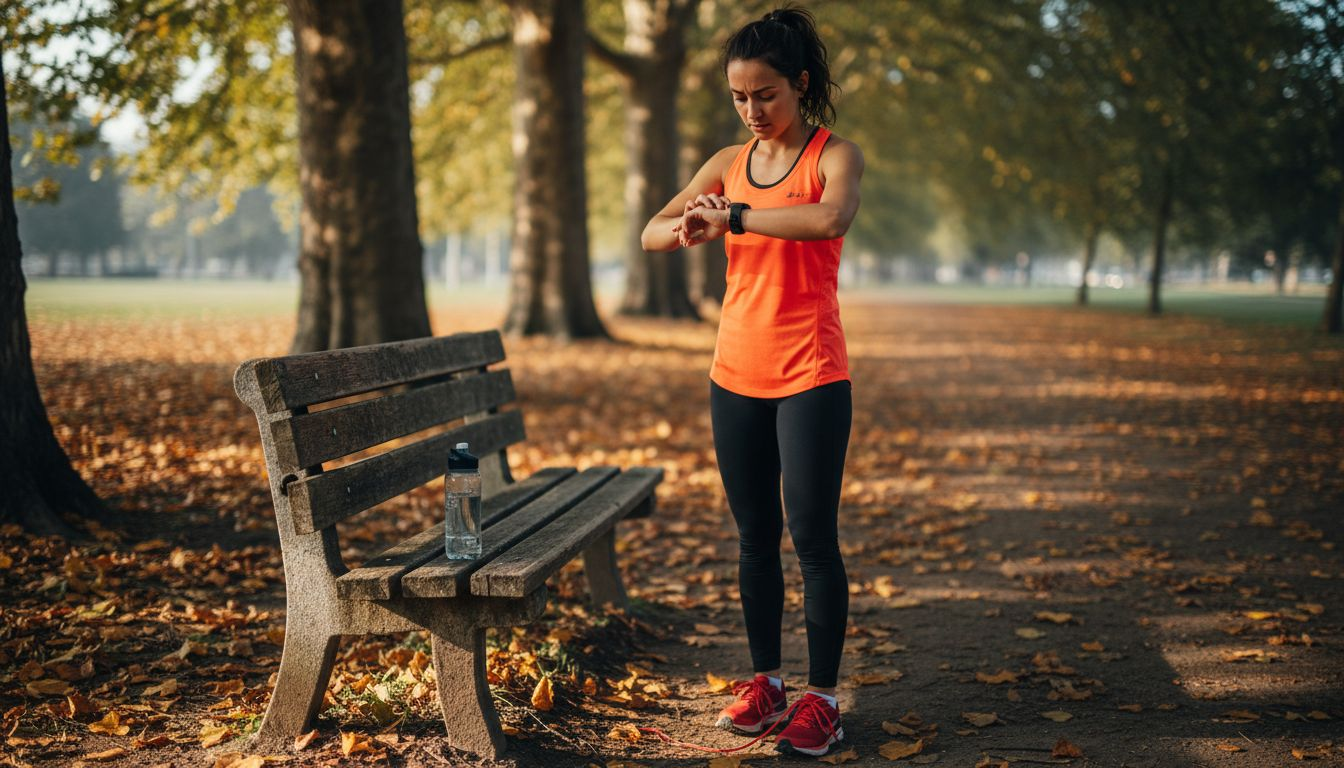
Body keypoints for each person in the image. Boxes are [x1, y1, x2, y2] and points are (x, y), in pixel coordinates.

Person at [641, 4, 863, 758]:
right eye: (739, 98)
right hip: (734, 372)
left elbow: (827, 220)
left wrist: (736, 218)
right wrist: (691, 223)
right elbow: (651, 231)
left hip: (810, 372)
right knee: (753, 539)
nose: (752, 110)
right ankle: (767, 682)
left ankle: (823, 698)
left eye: (764, 95)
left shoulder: (835, 155)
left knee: (812, 538)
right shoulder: (726, 163)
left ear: (799, 85)